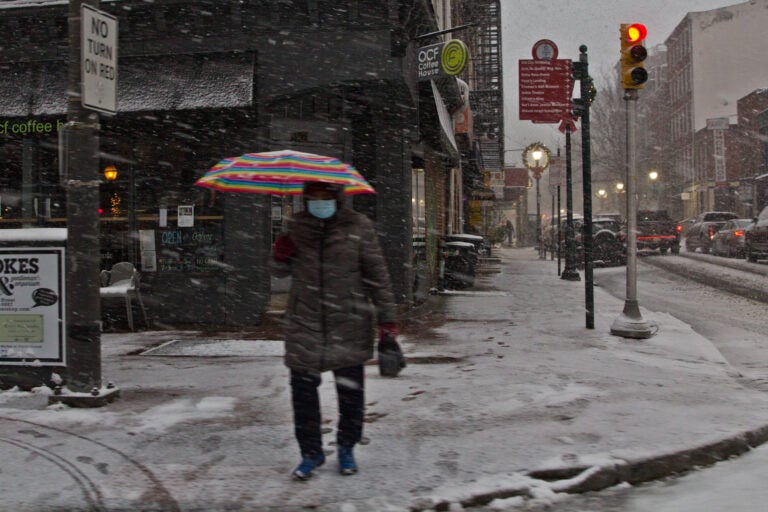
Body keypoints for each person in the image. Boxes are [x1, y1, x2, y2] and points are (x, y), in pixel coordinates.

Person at [271, 180, 399, 481]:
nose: (319, 201)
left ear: (337, 197)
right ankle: (310, 453)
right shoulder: (296, 226)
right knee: (302, 394)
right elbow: (278, 272)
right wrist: (280, 253)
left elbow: (377, 275)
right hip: (305, 321)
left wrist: (388, 319)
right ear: (305, 198)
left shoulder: (358, 226)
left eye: (325, 195)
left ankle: (346, 447)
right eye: (313, 196)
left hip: (349, 321)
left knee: (350, 394)